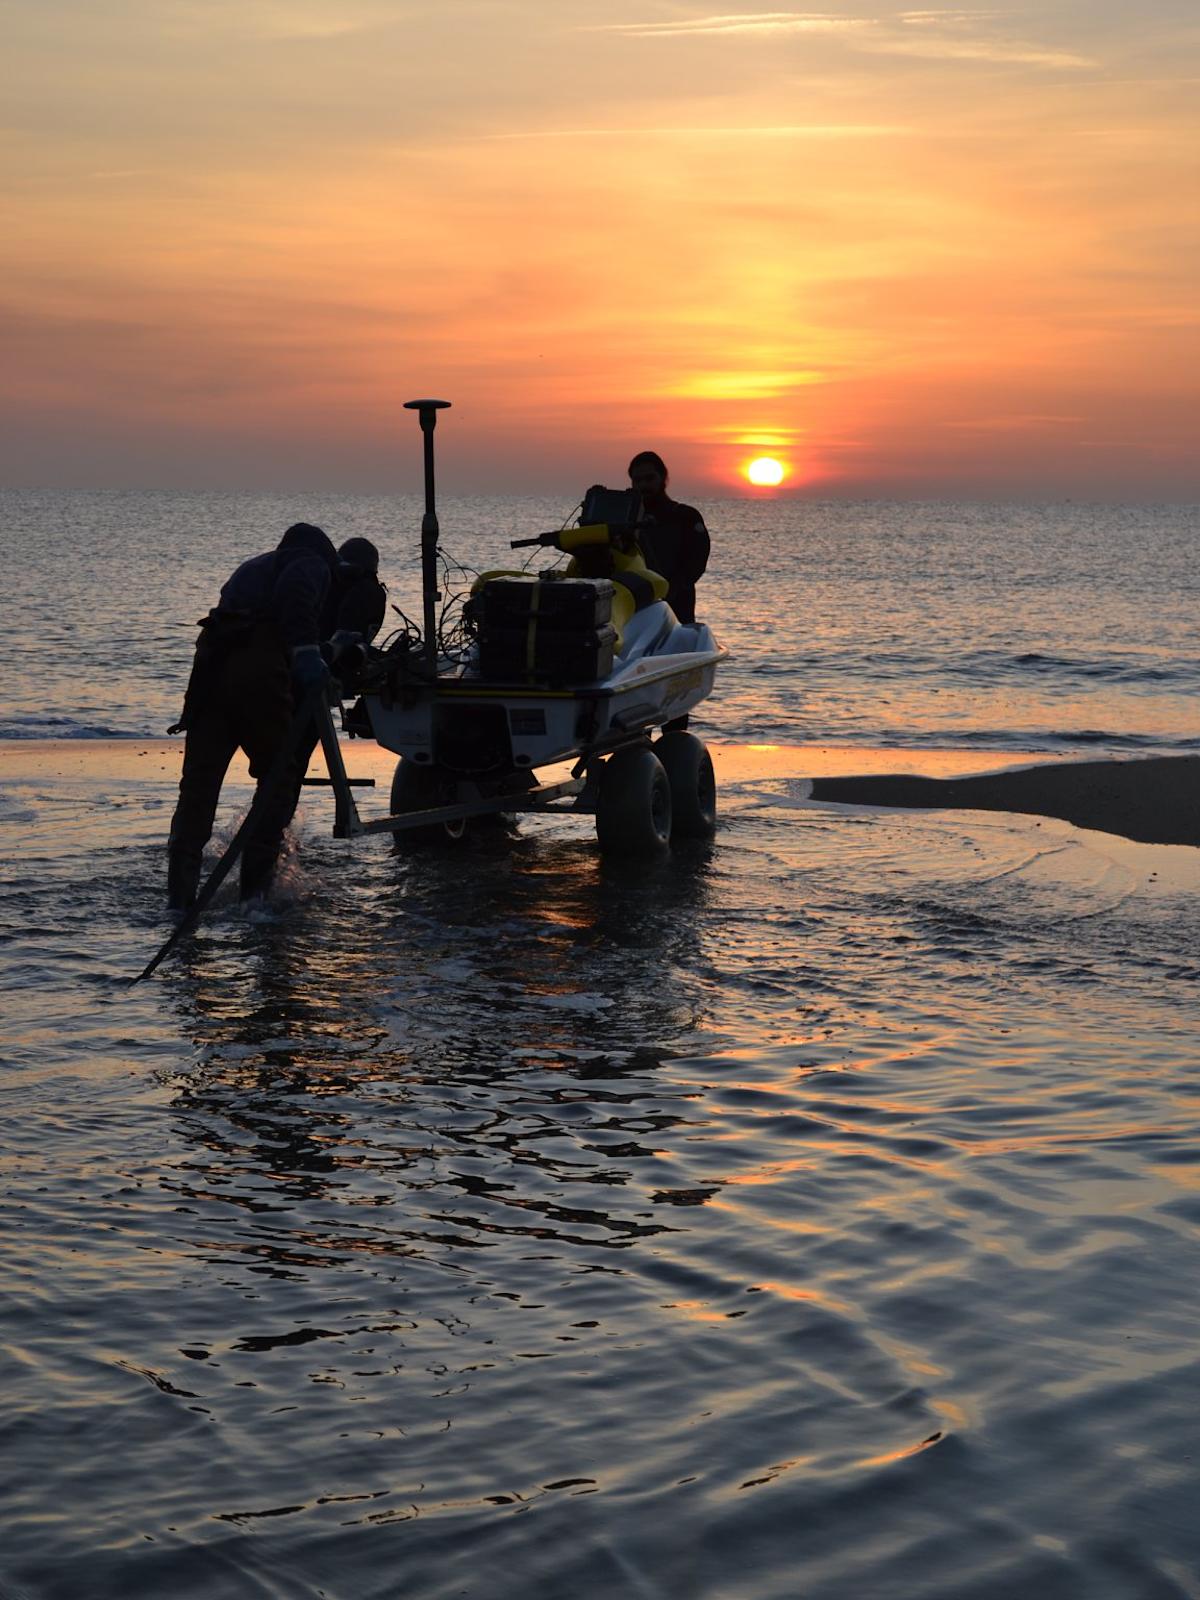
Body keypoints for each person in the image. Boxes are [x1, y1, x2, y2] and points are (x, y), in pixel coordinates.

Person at [166, 522, 339, 911]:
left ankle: (179, 902)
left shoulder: (254, 566)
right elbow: (295, 598)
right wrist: (309, 655)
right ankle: (254, 901)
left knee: (198, 788)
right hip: (255, 670)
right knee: (278, 779)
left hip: (210, 668)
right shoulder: (311, 563)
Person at [627, 450, 710, 624]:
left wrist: (669, 590)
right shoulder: (624, 522)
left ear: (663, 477)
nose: (643, 485)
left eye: (650, 479)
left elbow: (695, 565)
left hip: (676, 614)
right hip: (632, 613)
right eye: (637, 480)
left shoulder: (686, 517)